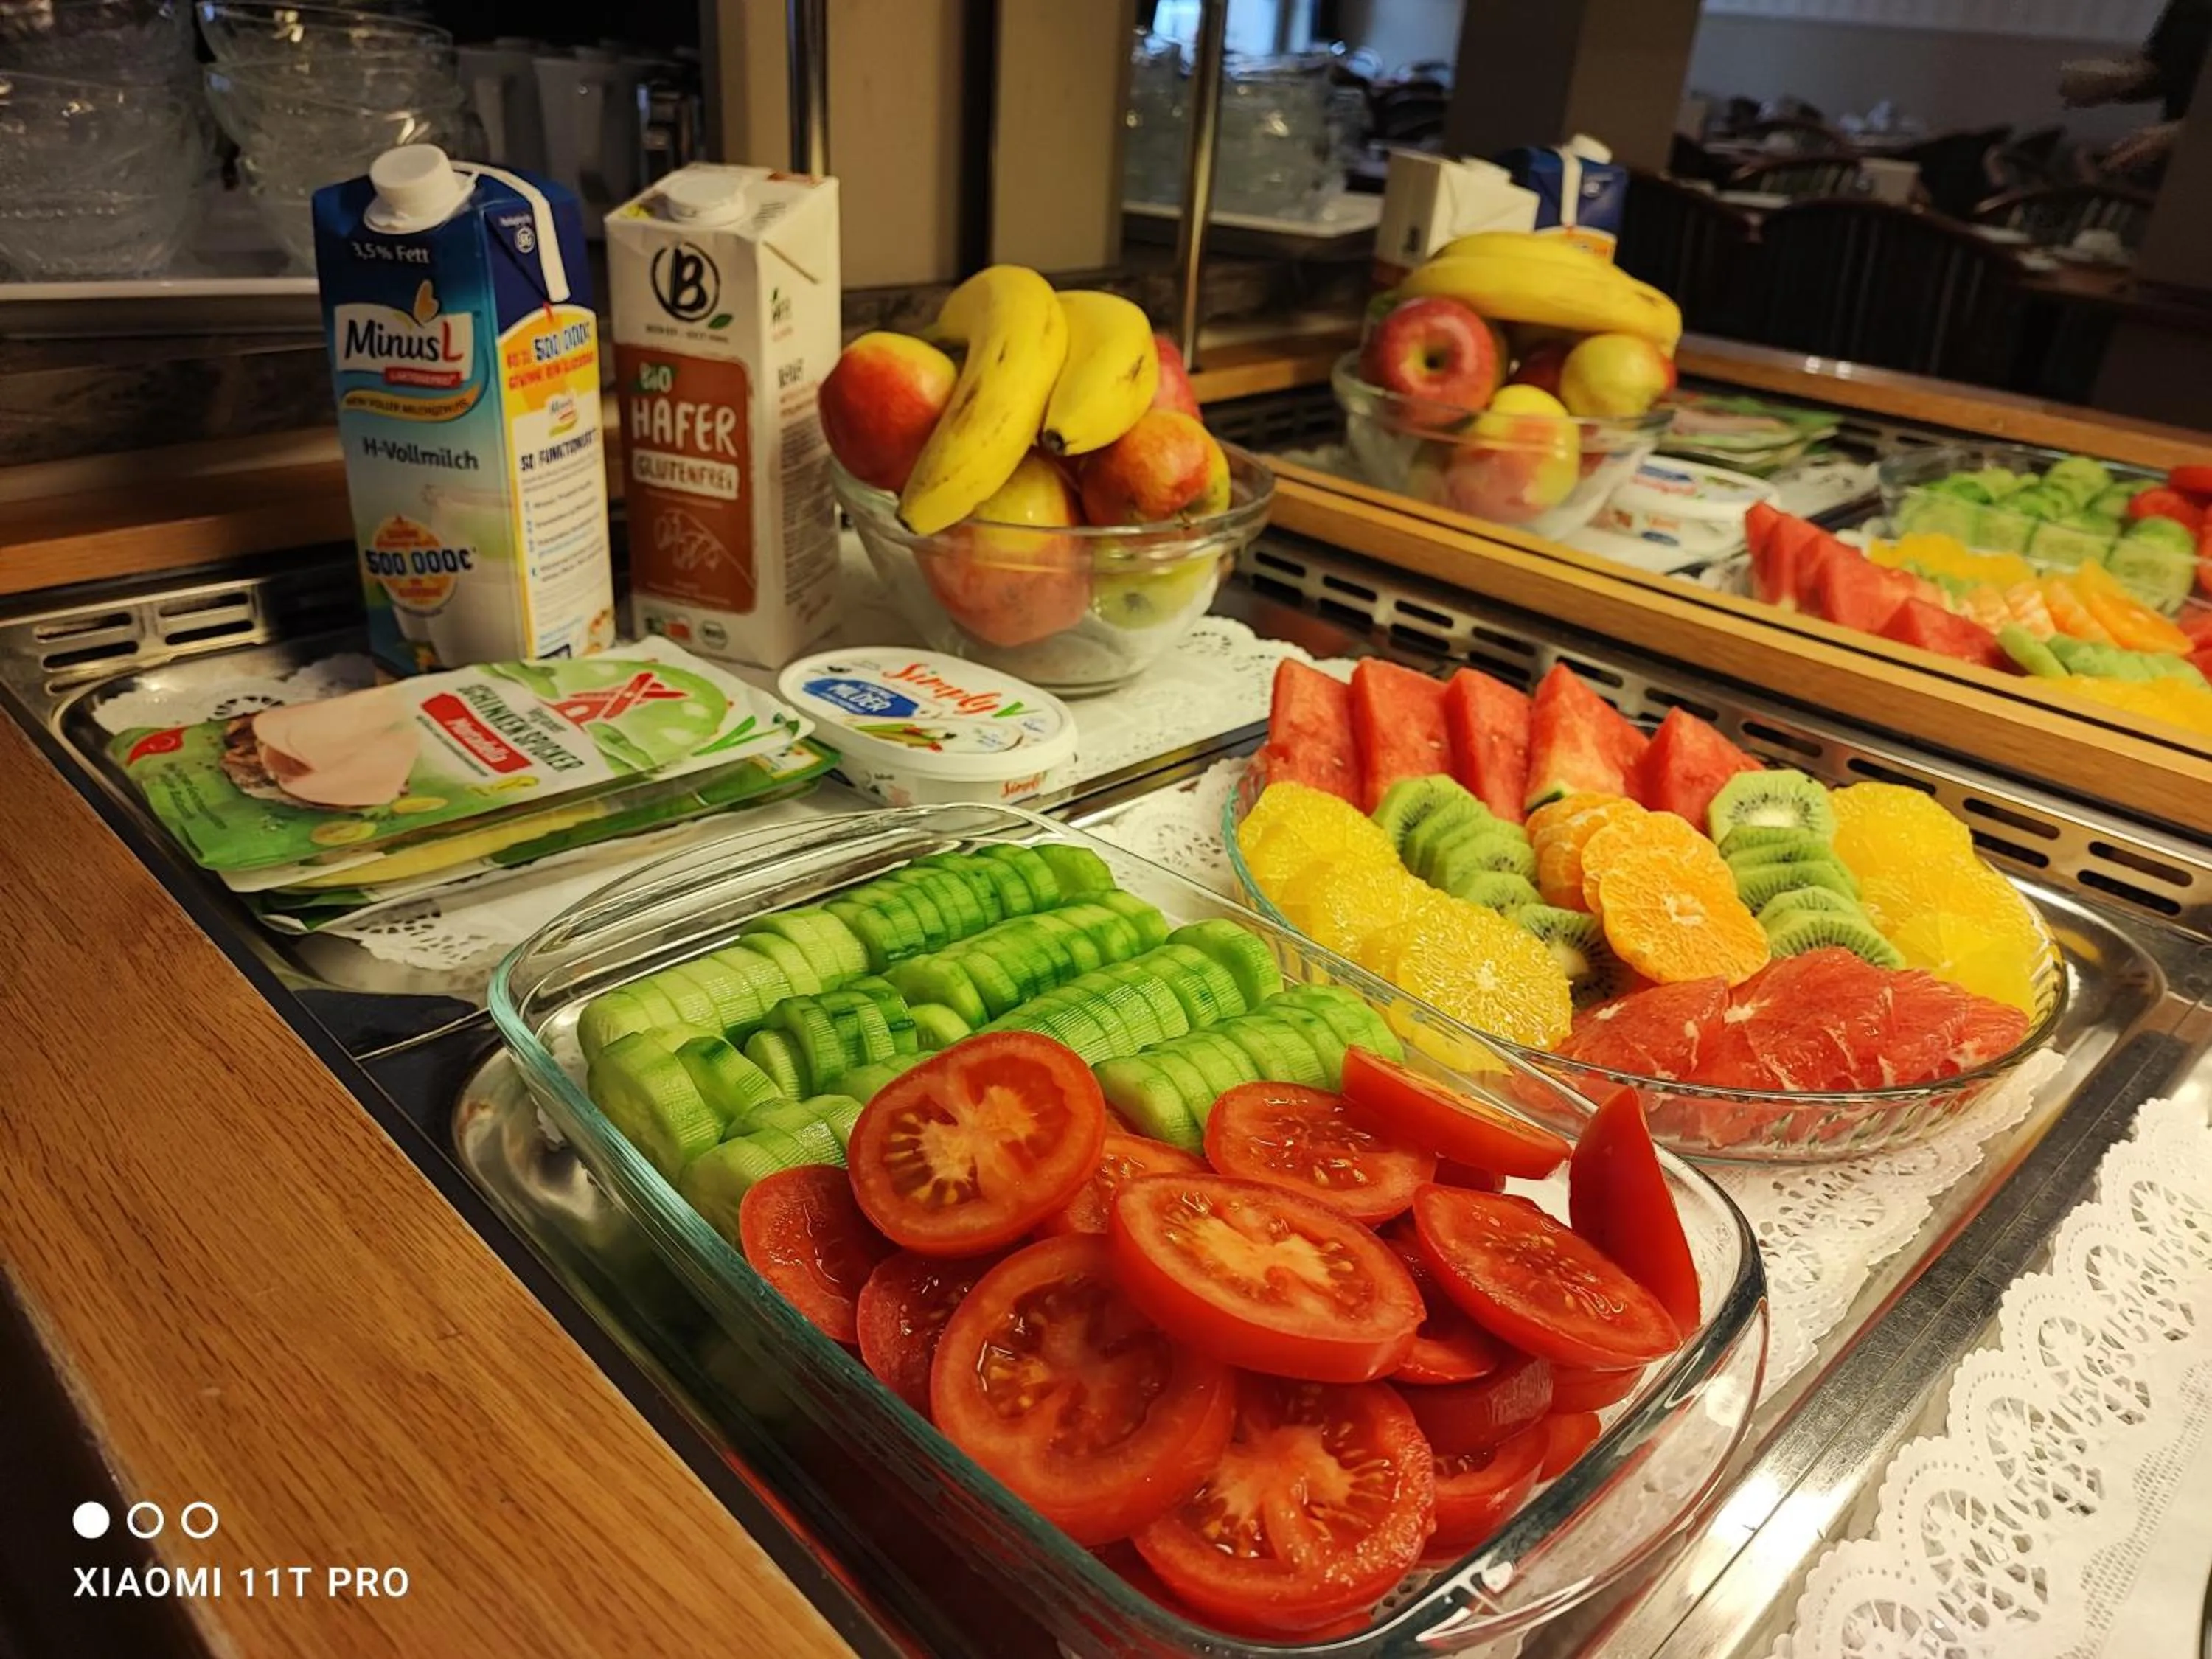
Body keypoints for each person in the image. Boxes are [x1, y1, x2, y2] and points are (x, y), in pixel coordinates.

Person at [2061, 0, 2211, 177]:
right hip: (2173, 164)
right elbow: (2166, 68)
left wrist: (2181, 134)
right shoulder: (2191, 7)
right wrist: (2122, 78)